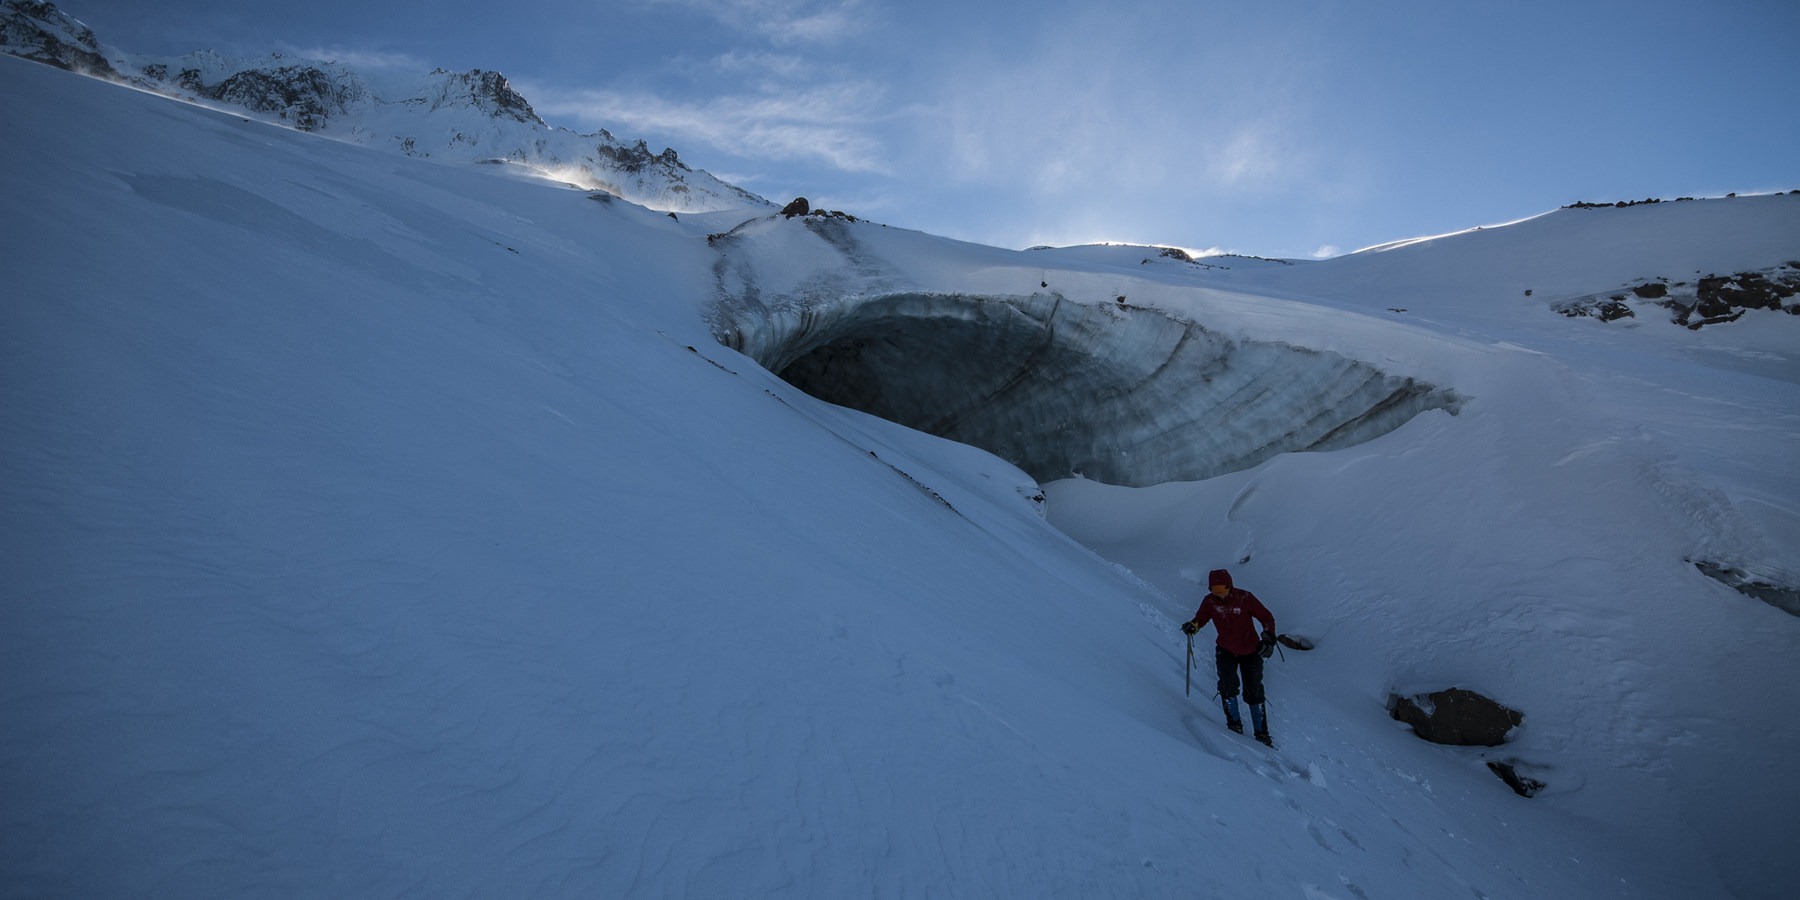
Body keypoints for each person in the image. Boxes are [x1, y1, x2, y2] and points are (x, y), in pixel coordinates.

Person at [1182, 569, 1278, 746]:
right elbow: (1200, 619)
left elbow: (1266, 617)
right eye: (1214, 590)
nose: (1219, 594)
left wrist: (1268, 637)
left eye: (1221, 590)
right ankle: (1234, 726)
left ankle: (1262, 734)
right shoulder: (1210, 602)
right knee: (1227, 685)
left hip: (1251, 650)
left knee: (1254, 689)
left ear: (1229, 586)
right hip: (1225, 649)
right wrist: (1192, 626)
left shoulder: (1245, 598)